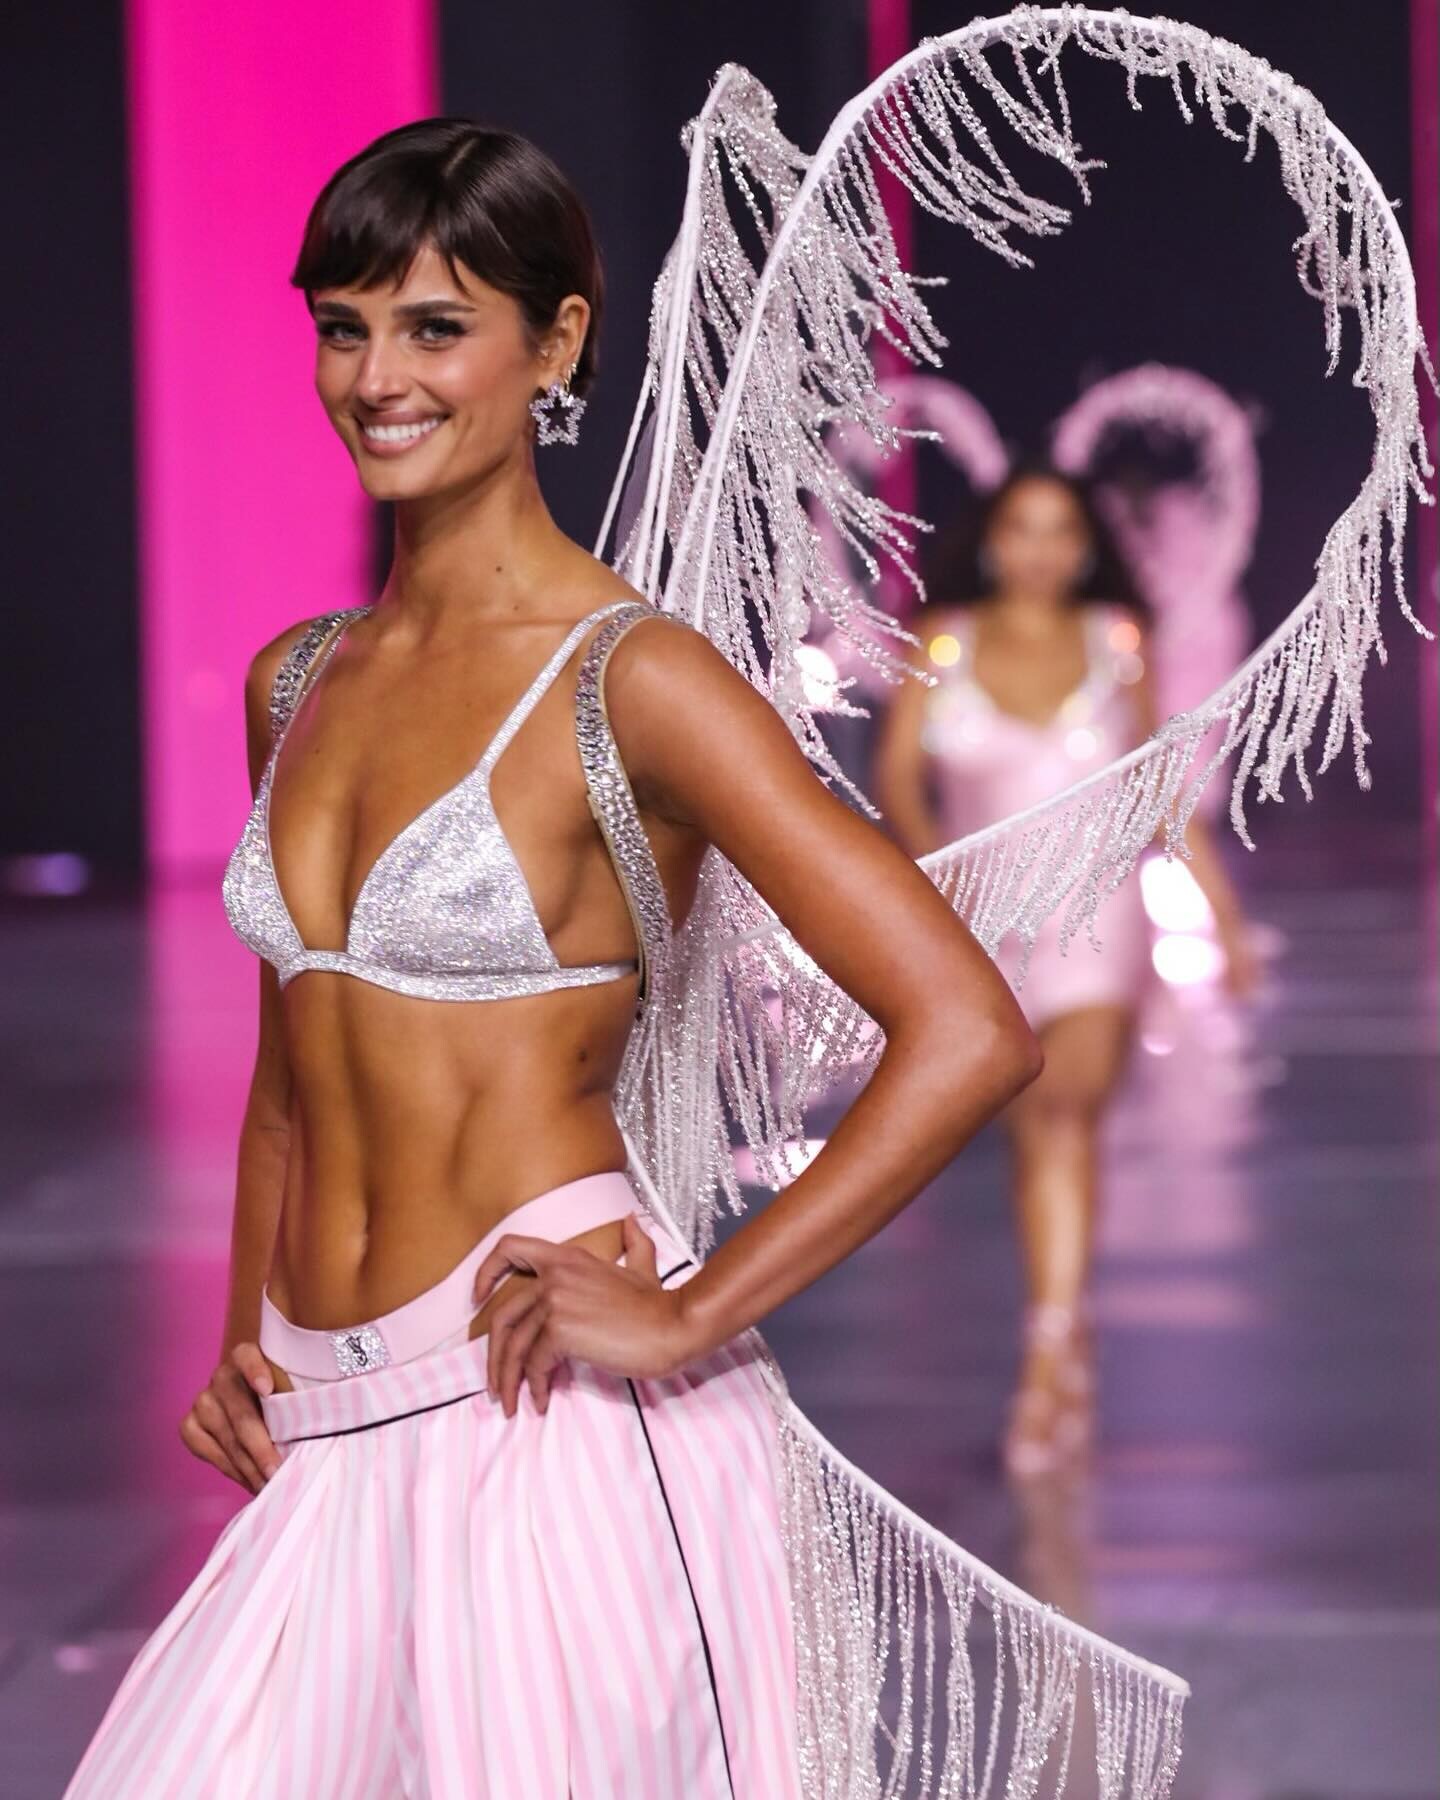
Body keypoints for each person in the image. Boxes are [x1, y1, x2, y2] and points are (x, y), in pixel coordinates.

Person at [63, 119, 1050, 1799]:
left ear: (557, 340)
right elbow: (292, 1079)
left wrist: (694, 1309)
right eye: (345, 328)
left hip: (553, 1423)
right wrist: (245, 1342)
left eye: (435, 327)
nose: (378, 379)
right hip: (324, 1434)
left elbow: (967, 1026)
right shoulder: (295, 682)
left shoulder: (635, 679)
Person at [875, 465, 1257, 1478]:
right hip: (985, 932)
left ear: (1085, 547)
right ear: (993, 539)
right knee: (1029, 1133)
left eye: (1060, 531)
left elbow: (1161, 789)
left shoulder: (1116, 642)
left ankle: (1046, 1360)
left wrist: (1225, 920)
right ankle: (1064, 1323)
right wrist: (937, 883)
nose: (1040, 550)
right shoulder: (942, 641)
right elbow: (899, 777)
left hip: (1099, 920)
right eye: (1022, 527)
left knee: (1065, 1112)